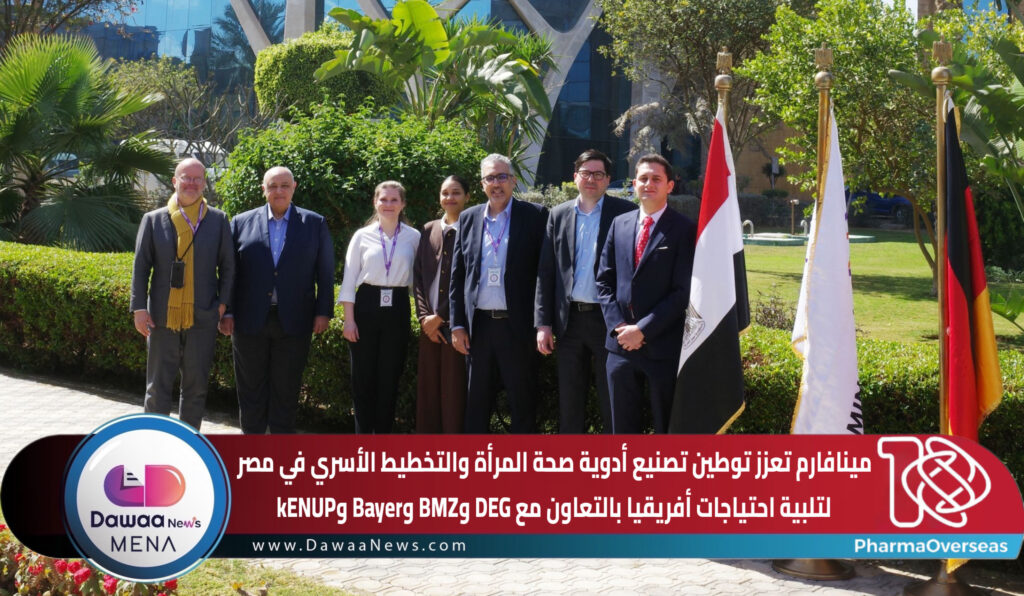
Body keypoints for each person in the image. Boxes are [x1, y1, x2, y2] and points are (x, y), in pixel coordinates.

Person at [221, 166, 334, 434]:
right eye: (273, 186)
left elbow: (325, 271)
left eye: (284, 185)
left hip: (295, 321)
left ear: (294, 187)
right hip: (249, 321)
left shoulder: (314, 223)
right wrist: (228, 311)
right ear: (264, 190)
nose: (279, 191)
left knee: (287, 390)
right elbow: (229, 271)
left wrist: (323, 311)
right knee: (250, 391)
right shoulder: (241, 222)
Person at [535, 149, 638, 433]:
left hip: (610, 322)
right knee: (570, 401)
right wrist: (543, 323)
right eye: (585, 173)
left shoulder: (626, 213)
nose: (591, 179)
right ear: (575, 177)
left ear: (608, 179)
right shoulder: (558, 215)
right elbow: (546, 272)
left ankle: (618, 456)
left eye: (598, 174)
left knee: (612, 397)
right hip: (568, 323)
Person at [130, 157, 234, 430]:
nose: (192, 183)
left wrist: (222, 305)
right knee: (157, 387)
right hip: (161, 316)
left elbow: (228, 266)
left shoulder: (218, 220)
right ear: (175, 181)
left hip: (203, 316)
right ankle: (155, 439)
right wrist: (139, 308)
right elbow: (141, 267)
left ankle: (187, 441)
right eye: (186, 178)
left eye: (197, 178)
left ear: (204, 183)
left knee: (196, 387)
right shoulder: (153, 220)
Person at [596, 154, 696, 433]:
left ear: (670, 186)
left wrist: (643, 330)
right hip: (620, 348)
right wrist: (619, 327)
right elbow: (604, 281)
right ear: (634, 184)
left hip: (662, 348)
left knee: (666, 428)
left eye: (656, 179)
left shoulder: (685, 229)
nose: (648, 184)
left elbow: (682, 291)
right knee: (621, 430)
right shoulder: (619, 224)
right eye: (643, 178)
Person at [450, 154, 548, 433]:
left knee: (522, 402)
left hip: (518, 326)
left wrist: (543, 322)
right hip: (479, 327)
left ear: (513, 181)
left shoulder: (535, 216)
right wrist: (457, 324)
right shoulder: (468, 218)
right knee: (477, 402)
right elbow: (458, 275)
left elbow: (544, 274)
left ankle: (522, 458)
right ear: (482, 184)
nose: (496, 184)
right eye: (490, 178)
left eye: (502, 176)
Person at [340, 181, 420, 433]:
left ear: (403, 204)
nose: (388, 204)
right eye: (383, 199)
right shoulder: (361, 236)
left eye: (394, 200)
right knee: (362, 380)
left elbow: (419, 280)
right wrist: (349, 320)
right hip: (366, 306)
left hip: (397, 309)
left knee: (390, 379)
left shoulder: (414, 237)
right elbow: (349, 280)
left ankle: (383, 440)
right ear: (375, 202)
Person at [412, 175, 470, 433]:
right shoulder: (428, 229)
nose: (450, 197)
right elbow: (418, 278)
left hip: (457, 326)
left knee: (454, 393)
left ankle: (454, 450)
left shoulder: (472, 228)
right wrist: (424, 317)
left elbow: (469, 280)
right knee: (428, 391)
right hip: (429, 327)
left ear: (467, 197)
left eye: (456, 192)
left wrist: (441, 317)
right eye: (445, 193)